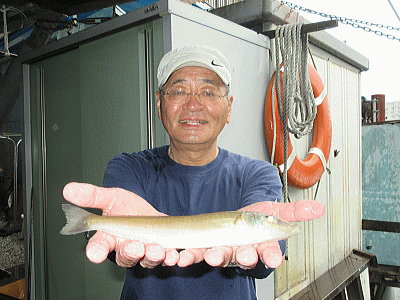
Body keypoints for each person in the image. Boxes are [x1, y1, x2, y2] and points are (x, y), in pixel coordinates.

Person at [63, 45, 325, 299]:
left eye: (209, 93)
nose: (193, 104)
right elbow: (116, 247)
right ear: (159, 103)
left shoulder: (258, 173)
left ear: (229, 107)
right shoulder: (130, 167)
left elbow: (265, 258)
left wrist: (258, 250)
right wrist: (98, 225)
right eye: (178, 91)